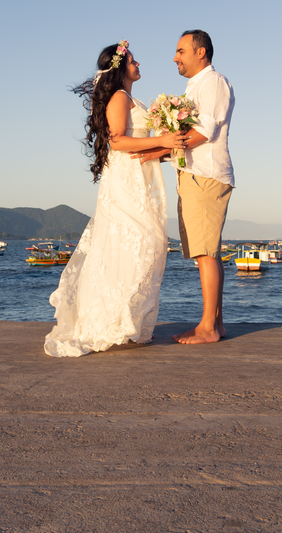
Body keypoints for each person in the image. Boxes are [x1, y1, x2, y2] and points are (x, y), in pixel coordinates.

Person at [44, 41, 187, 357]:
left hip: (140, 175)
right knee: (137, 241)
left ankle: (127, 321)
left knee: (145, 243)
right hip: (125, 181)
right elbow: (118, 140)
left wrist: (168, 147)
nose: (138, 64)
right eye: (133, 61)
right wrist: (163, 138)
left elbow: (141, 148)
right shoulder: (119, 98)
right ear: (120, 68)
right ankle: (110, 322)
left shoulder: (130, 97)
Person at [140, 30, 235, 345]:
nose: (175, 57)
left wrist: (158, 151)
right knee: (206, 252)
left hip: (205, 174)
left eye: (181, 51)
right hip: (193, 174)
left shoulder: (213, 83)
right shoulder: (195, 86)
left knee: (205, 252)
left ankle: (208, 328)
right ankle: (215, 324)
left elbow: (204, 132)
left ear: (201, 52)